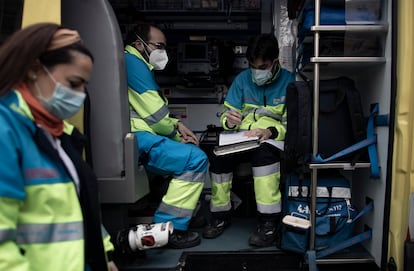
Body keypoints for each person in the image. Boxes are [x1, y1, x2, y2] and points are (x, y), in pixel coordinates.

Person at [0, 23, 118, 271]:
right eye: (74, 83)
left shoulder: (57, 134)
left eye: (84, 85)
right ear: (34, 69)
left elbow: (76, 209)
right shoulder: (7, 130)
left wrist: (104, 255)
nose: (81, 94)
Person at [203, 33, 295, 247]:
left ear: (275, 62)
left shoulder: (290, 82)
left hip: (271, 140)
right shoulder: (242, 80)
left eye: (262, 67)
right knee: (218, 158)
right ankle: (220, 217)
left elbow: (293, 125)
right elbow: (227, 116)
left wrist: (271, 131)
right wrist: (230, 122)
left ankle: (268, 222)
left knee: (264, 159)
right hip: (243, 138)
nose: (257, 72)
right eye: (253, 66)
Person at [123, 23, 208, 249]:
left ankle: (186, 212)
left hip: (136, 134)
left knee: (185, 154)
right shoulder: (133, 64)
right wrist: (176, 134)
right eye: (159, 46)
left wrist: (177, 125)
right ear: (139, 44)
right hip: (138, 137)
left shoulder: (134, 63)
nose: (163, 52)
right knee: (194, 158)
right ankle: (170, 229)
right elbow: (157, 118)